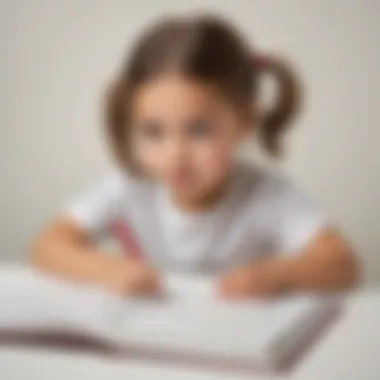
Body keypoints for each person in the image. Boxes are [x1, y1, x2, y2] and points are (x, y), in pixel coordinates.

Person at [31, 14, 359, 298]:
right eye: (154, 132)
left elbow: (343, 264)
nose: (175, 156)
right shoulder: (129, 186)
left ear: (244, 121)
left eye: (199, 130)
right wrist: (109, 271)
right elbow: (48, 246)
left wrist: (271, 277)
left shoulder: (267, 194)